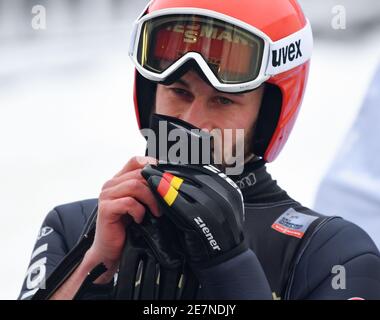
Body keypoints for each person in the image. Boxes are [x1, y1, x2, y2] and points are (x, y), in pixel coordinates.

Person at [19, 0, 380, 300]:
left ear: (268, 117)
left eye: (223, 101)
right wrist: (93, 266)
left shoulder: (332, 253)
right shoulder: (73, 227)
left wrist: (228, 264)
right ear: (150, 96)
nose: (194, 121)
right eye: (179, 92)